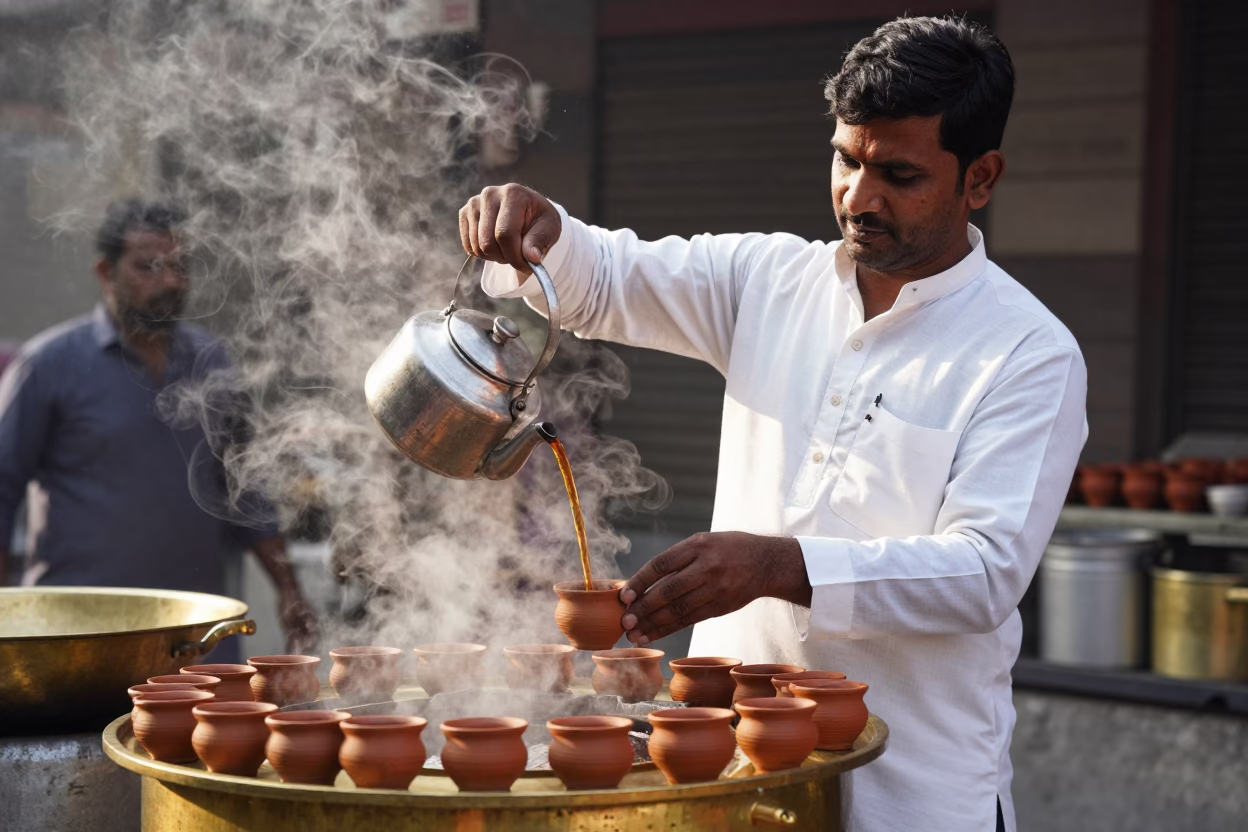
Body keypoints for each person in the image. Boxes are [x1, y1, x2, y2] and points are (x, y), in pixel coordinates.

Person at [460, 16, 1084, 832]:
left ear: (981, 178)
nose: (860, 198)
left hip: (914, 797)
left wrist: (780, 566)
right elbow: (608, 278)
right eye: (845, 160)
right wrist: (540, 233)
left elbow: (983, 573)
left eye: (898, 173)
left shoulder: (1027, 352)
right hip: (733, 784)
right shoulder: (771, 280)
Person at [0, 199, 317, 658]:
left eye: (180, 265)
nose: (170, 280)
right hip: (77, 638)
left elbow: (245, 487)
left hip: (195, 635)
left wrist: (289, 589)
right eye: (149, 266)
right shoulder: (48, 365)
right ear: (105, 272)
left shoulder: (210, 361)